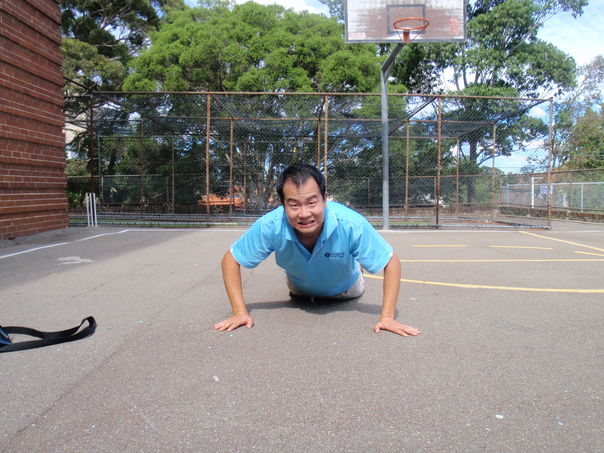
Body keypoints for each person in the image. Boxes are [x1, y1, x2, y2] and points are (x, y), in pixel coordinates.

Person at [213, 163, 420, 337]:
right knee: (299, 277)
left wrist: (387, 317)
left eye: (312, 202)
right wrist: (239, 312)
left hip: (347, 290)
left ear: (325, 199)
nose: (304, 213)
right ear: (283, 205)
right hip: (300, 291)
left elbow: (391, 261)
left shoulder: (350, 223)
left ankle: (355, 266)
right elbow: (230, 259)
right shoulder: (271, 224)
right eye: (294, 205)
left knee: (353, 270)